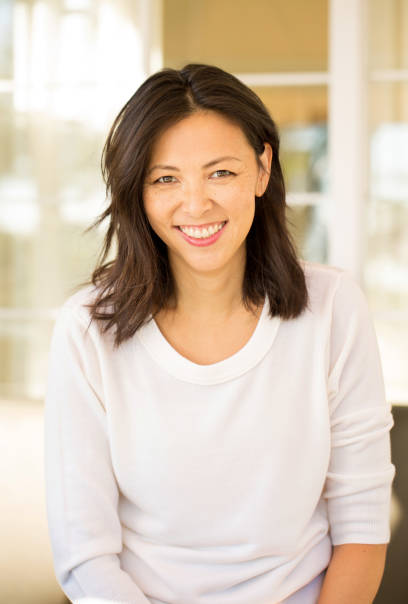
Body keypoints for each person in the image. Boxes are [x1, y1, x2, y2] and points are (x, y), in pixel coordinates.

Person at [43, 63, 396, 604]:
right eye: (165, 178)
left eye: (220, 173)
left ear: (261, 168)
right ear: (138, 191)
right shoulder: (86, 331)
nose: (195, 203)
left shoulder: (333, 309)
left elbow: (363, 528)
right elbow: (85, 556)